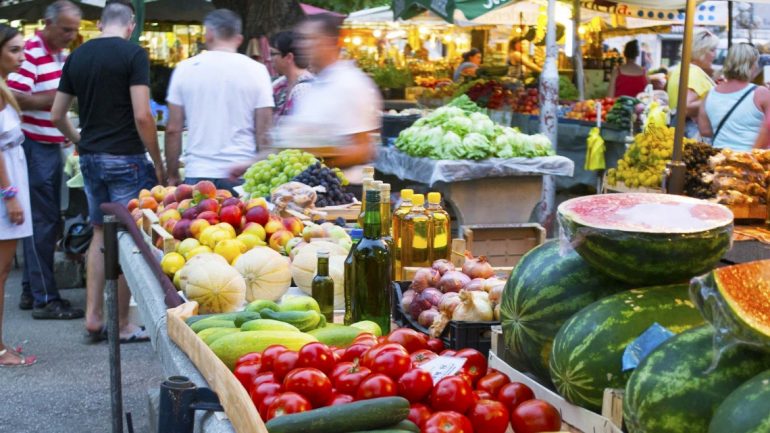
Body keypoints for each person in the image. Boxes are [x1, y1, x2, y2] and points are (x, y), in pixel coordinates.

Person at [50, 1, 165, 343]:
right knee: (130, 239)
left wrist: (79, 141)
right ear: (131, 25)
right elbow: (143, 115)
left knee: (99, 233)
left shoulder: (78, 56)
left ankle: (93, 317)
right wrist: (158, 162)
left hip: (91, 159)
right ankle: (123, 323)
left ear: (99, 23)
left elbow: (57, 114)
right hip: (127, 158)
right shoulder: (133, 55)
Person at [7, 0, 83, 319]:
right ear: (47, 24)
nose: (71, 35)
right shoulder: (32, 52)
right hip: (34, 146)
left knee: (45, 221)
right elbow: (15, 97)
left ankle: (31, 290)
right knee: (44, 222)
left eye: (74, 30)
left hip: (48, 145)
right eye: (66, 29)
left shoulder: (56, 53)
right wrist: (57, 99)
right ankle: (45, 298)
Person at [165, 9, 274, 192]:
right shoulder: (257, 71)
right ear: (239, 38)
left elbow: (173, 129)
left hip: (198, 171)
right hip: (241, 172)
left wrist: (172, 173)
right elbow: (264, 133)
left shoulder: (185, 69)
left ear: (208, 34)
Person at [271, 13, 381, 170]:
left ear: (329, 42)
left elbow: (363, 149)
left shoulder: (351, 83)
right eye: (301, 39)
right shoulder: (317, 83)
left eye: (311, 39)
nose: (302, 45)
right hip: (312, 183)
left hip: (342, 187)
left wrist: (315, 163)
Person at [0, 25, 37, 367]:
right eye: (13, 50)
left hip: (10, 181)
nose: (21, 56)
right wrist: (10, 195)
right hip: (5, 188)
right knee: (1, 270)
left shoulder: (5, 88)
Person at [698, 43, 770, 151]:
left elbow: (705, 130)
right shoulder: (761, 93)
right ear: (752, 65)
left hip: (720, 160)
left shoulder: (710, 94)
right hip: (751, 163)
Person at [667, 28, 719, 139]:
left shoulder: (680, 69)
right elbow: (686, 107)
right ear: (700, 50)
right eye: (712, 50)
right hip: (694, 136)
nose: (715, 55)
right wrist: (719, 98)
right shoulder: (692, 72)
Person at [269, 31, 313, 122]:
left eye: (273, 54)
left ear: (289, 57)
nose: (270, 59)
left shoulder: (304, 89)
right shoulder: (279, 84)